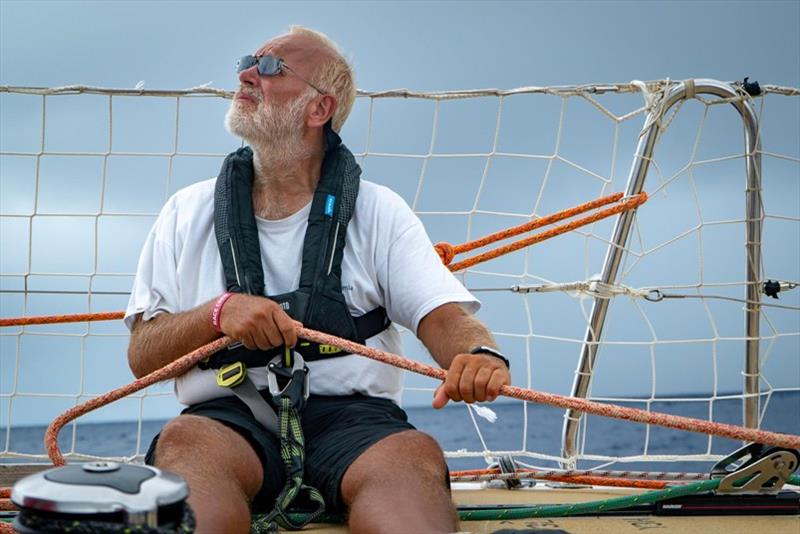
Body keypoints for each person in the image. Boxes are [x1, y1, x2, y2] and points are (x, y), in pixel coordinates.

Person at [125, 25, 510, 534]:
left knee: (411, 458)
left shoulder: (380, 211)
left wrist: (479, 356)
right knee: (185, 448)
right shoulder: (184, 212)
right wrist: (218, 314)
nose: (245, 74)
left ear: (318, 109)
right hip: (226, 420)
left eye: (269, 67)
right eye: (249, 61)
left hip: (355, 421)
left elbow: (442, 316)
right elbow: (143, 356)